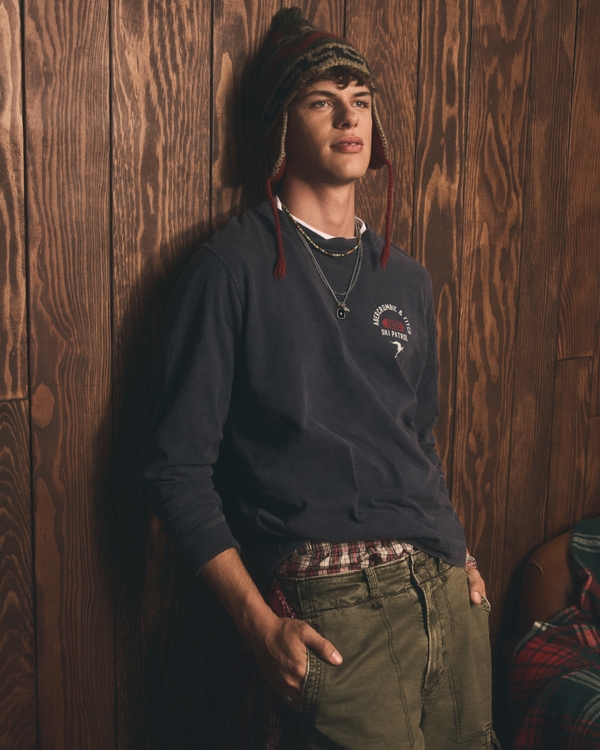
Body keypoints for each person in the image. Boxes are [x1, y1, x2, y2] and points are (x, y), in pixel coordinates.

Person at [141, 7, 498, 748]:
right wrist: (258, 625)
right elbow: (176, 471)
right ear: (282, 125)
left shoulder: (408, 280)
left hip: (447, 594)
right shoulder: (229, 270)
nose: (348, 115)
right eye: (321, 100)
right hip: (338, 608)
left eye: (360, 99)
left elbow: (417, 438)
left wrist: (457, 550)